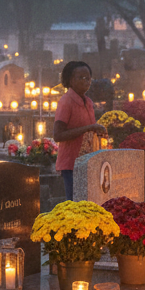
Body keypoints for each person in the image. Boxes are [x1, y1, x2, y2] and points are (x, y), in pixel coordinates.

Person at [52, 60, 108, 199]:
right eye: (81, 78)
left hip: (88, 162)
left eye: (88, 78)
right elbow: (58, 135)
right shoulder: (66, 101)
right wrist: (89, 128)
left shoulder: (88, 102)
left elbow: (90, 130)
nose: (86, 81)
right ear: (70, 80)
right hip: (72, 164)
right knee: (75, 203)